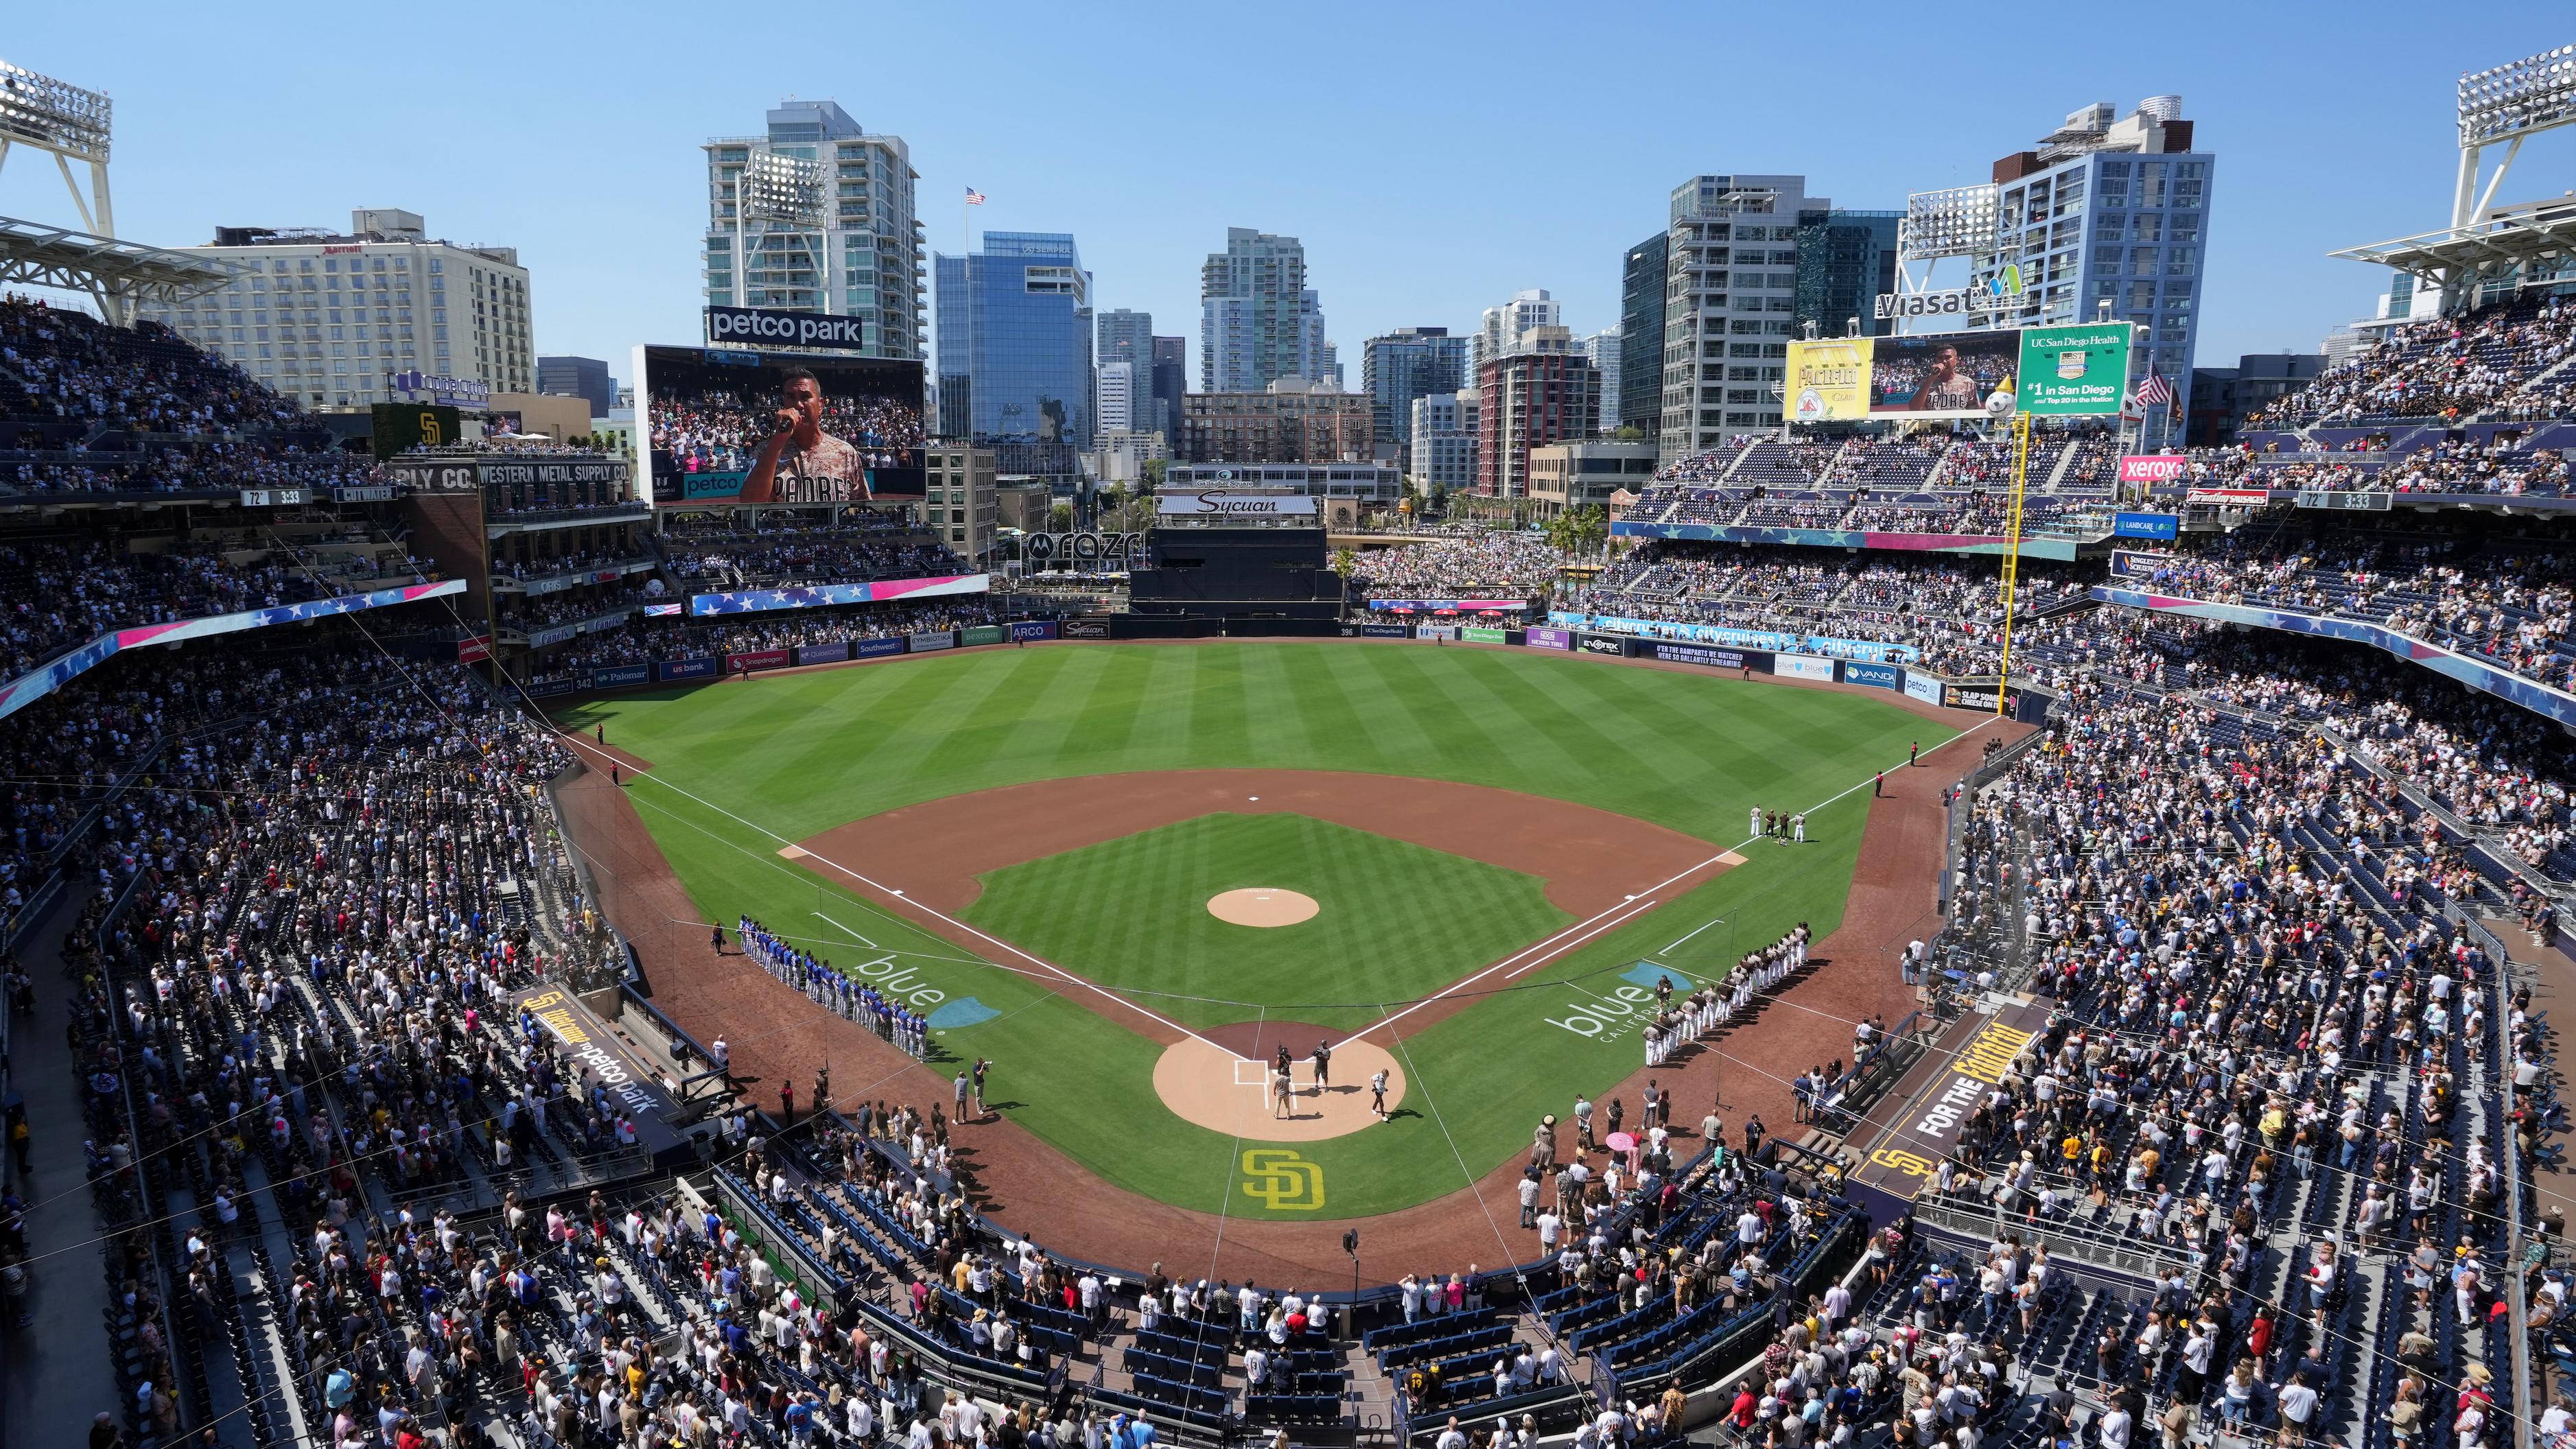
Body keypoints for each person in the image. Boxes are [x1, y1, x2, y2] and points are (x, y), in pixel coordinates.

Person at [741, 367, 869, 504]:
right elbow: (749, 502)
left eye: (805, 397)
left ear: (820, 406)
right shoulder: (765, 450)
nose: (798, 405)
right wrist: (779, 440)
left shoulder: (846, 453)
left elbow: (864, 507)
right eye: (791, 397)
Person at [1906, 344, 1985, 412]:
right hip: (1931, 424)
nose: (1944, 361)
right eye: (1940, 358)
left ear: (1956, 361)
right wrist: (1931, 379)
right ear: (1936, 361)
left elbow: (1975, 410)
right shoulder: (1925, 382)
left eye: (1948, 357)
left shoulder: (1967, 383)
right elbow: (1914, 408)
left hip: (1956, 424)